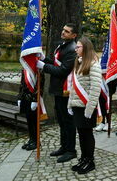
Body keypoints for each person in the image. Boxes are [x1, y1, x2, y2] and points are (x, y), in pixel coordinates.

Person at [36, 23, 77, 163]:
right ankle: (64, 146)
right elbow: (56, 63)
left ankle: (71, 150)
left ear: (74, 35)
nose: (63, 32)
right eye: (63, 29)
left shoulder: (72, 49)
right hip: (59, 90)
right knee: (61, 120)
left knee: (68, 121)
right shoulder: (63, 45)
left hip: (65, 91)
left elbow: (63, 70)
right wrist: (44, 59)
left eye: (67, 31)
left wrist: (44, 67)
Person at [67, 37, 101, 174]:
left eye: (78, 47)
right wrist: (70, 104)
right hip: (77, 105)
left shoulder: (93, 64)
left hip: (87, 107)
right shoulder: (79, 63)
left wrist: (90, 109)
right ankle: (83, 158)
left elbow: (95, 89)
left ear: (86, 48)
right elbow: (74, 87)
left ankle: (90, 161)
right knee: (81, 134)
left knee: (87, 134)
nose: (76, 49)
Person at [18, 69, 44, 151]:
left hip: (33, 97)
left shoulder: (37, 68)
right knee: (28, 119)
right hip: (25, 97)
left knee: (34, 120)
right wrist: (19, 97)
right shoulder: (25, 68)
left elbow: (40, 84)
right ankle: (31, 139)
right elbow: (22, 83)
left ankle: (36, 141)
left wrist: (35, 99)